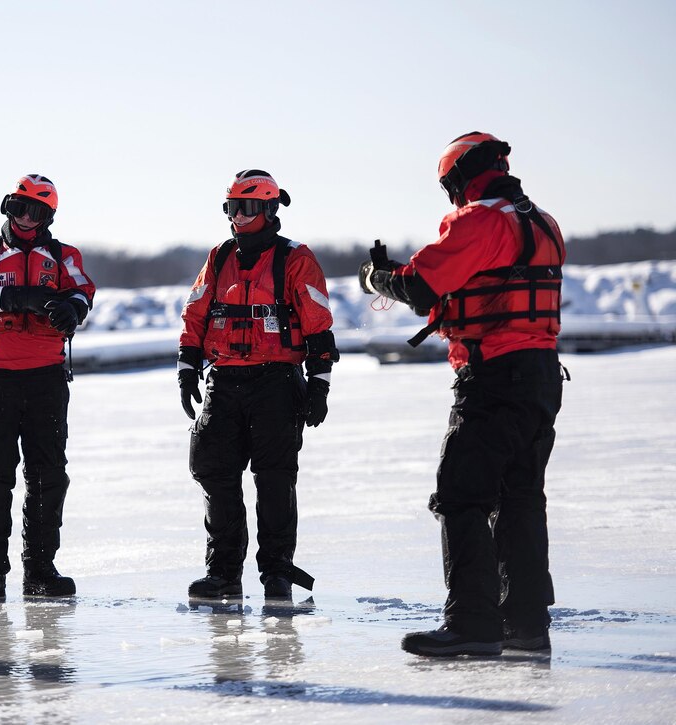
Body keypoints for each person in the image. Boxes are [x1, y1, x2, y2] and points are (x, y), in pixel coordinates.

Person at [359, 132, 566, 657]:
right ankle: (525, 623)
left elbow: (421, 286)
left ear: (459, 178)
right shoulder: (543, 222)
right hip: (541, 376)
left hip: (494, 378)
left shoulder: (478, 220)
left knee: (461, 494)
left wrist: (376, 278)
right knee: (520, 498)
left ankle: (472, 623)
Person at [179, 170, 338, 602]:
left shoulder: (295, 259)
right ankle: (223, 574)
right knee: (216, 474)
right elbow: (195, 313)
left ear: (269, 210)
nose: (239, 217)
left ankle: (276, 574)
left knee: (274, 480)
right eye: (232, 208)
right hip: (224, 380)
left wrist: (319, 384)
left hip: (276, 383)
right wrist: (187, 366)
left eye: (247, 208)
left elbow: (319, 326)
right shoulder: (219, 256)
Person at [0, 174, 95, 601]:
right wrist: (19, 299)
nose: (26, 218)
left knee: (48, 475)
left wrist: (72, 309)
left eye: (36, 211)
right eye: (19, 207)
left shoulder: (63, 255)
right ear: (7, 207)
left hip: (46, 379)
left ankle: (40, 571)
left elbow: (84, 291)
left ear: (49, 216)